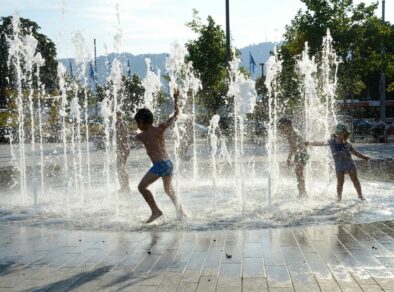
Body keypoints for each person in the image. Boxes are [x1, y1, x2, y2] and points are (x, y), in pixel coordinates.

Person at [132, 89, 186, 223]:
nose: (138, 126)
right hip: (168, 163)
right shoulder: (160, 129)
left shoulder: (142, 135)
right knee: (169, 190)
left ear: (142, 122)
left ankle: (155, 210)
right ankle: (181, 211)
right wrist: (175, 99)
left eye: (137, 123)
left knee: (141, 187)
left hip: (160, 166)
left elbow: (131, 138)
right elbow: (176, 114)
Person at [306, 123, 370, 202]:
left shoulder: (347, 144)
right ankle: (339, 199)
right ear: (336, 134)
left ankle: (360, 196)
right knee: (340, 182)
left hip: (349, 164)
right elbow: (320, 143)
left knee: (355, 180)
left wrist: (364, 157)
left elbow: (355, 153)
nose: (341, 135)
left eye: (343, 134)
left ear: (346, 134)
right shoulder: (331, 142)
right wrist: (309, 143)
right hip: (339, 165)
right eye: (340, 133)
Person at [277, 117, 309, 198]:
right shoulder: (294, 131)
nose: (282, 129)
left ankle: (302, 193)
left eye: (282, 127)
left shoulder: (291, 133)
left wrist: (289, 158)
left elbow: (293, 147)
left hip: (300, 155)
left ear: (287, 125)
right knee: (299, 175)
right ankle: (302, 192)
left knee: (299, 175)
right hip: (302, 154)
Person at [116, 112, 131, 194]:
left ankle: (125, 187)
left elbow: (123, 137)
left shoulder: (120, 123)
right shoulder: (123, 122)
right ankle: (124, 186)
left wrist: (123, 147)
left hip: (123, 148)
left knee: (121, 167)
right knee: (120, 167)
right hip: (123, 147)